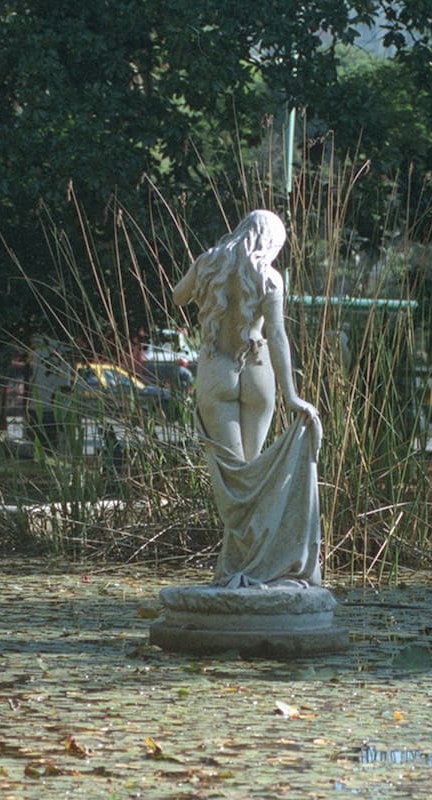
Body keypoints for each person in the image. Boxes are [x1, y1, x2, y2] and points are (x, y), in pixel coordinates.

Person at [173, 210, 324, 589]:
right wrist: (293, 396)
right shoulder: (270, 278)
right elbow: (277, 335)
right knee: (251, 478)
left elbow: (177, 297)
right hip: (258, 371)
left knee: (233, 481)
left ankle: (234, 569)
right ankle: (254, 566)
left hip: (217, 369)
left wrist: (207, 283)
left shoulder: (208, 263)